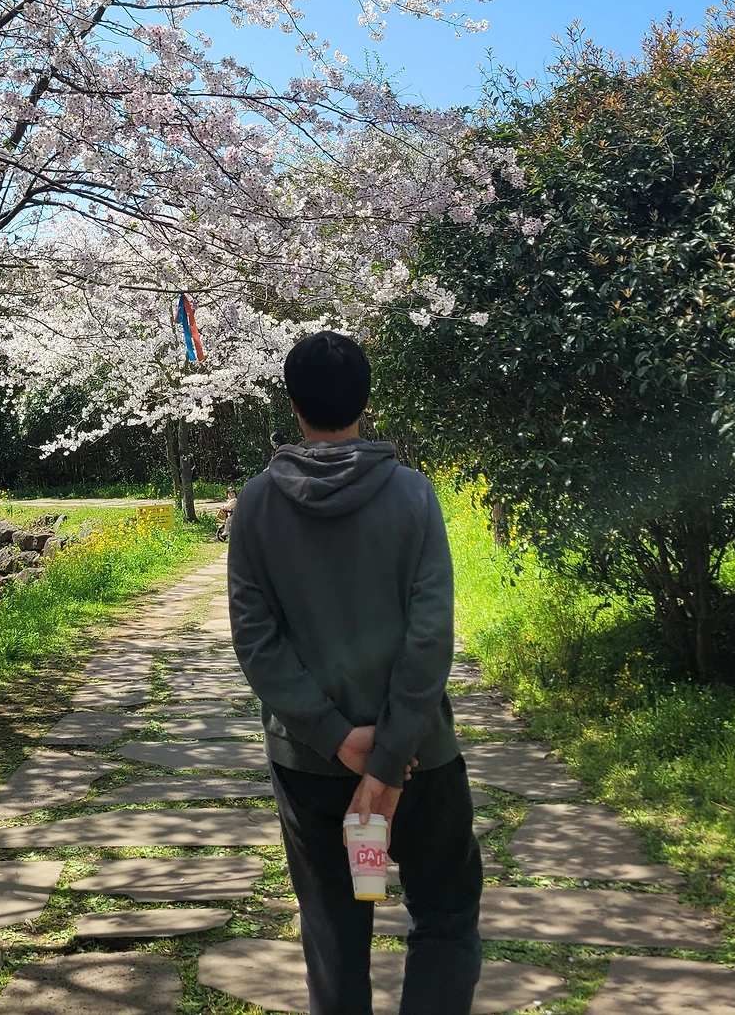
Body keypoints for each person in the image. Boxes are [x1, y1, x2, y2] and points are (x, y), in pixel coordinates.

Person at [228, 330, 481, 1015]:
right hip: (421, 763)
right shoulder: (413, 496)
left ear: (292, 404)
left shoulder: (256, 504)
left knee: (336, 935)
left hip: (311, 767)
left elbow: (256, 642)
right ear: (367, 401)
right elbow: (430, 636)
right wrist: (389, 757)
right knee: (445, 918)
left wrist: (337, 738)